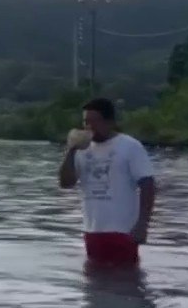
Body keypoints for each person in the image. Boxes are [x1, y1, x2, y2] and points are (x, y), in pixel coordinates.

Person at [58, 98, 156, 266]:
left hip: (123, 230)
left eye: (94, 121)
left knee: (126, 277)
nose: (89, 127)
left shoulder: (130, 146)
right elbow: (66, 184)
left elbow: (148, 185)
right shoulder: (81, 150)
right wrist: (71, 151)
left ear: (110, 122)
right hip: (92, 229)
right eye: (86, 122)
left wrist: (142, 225)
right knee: (94, 278)